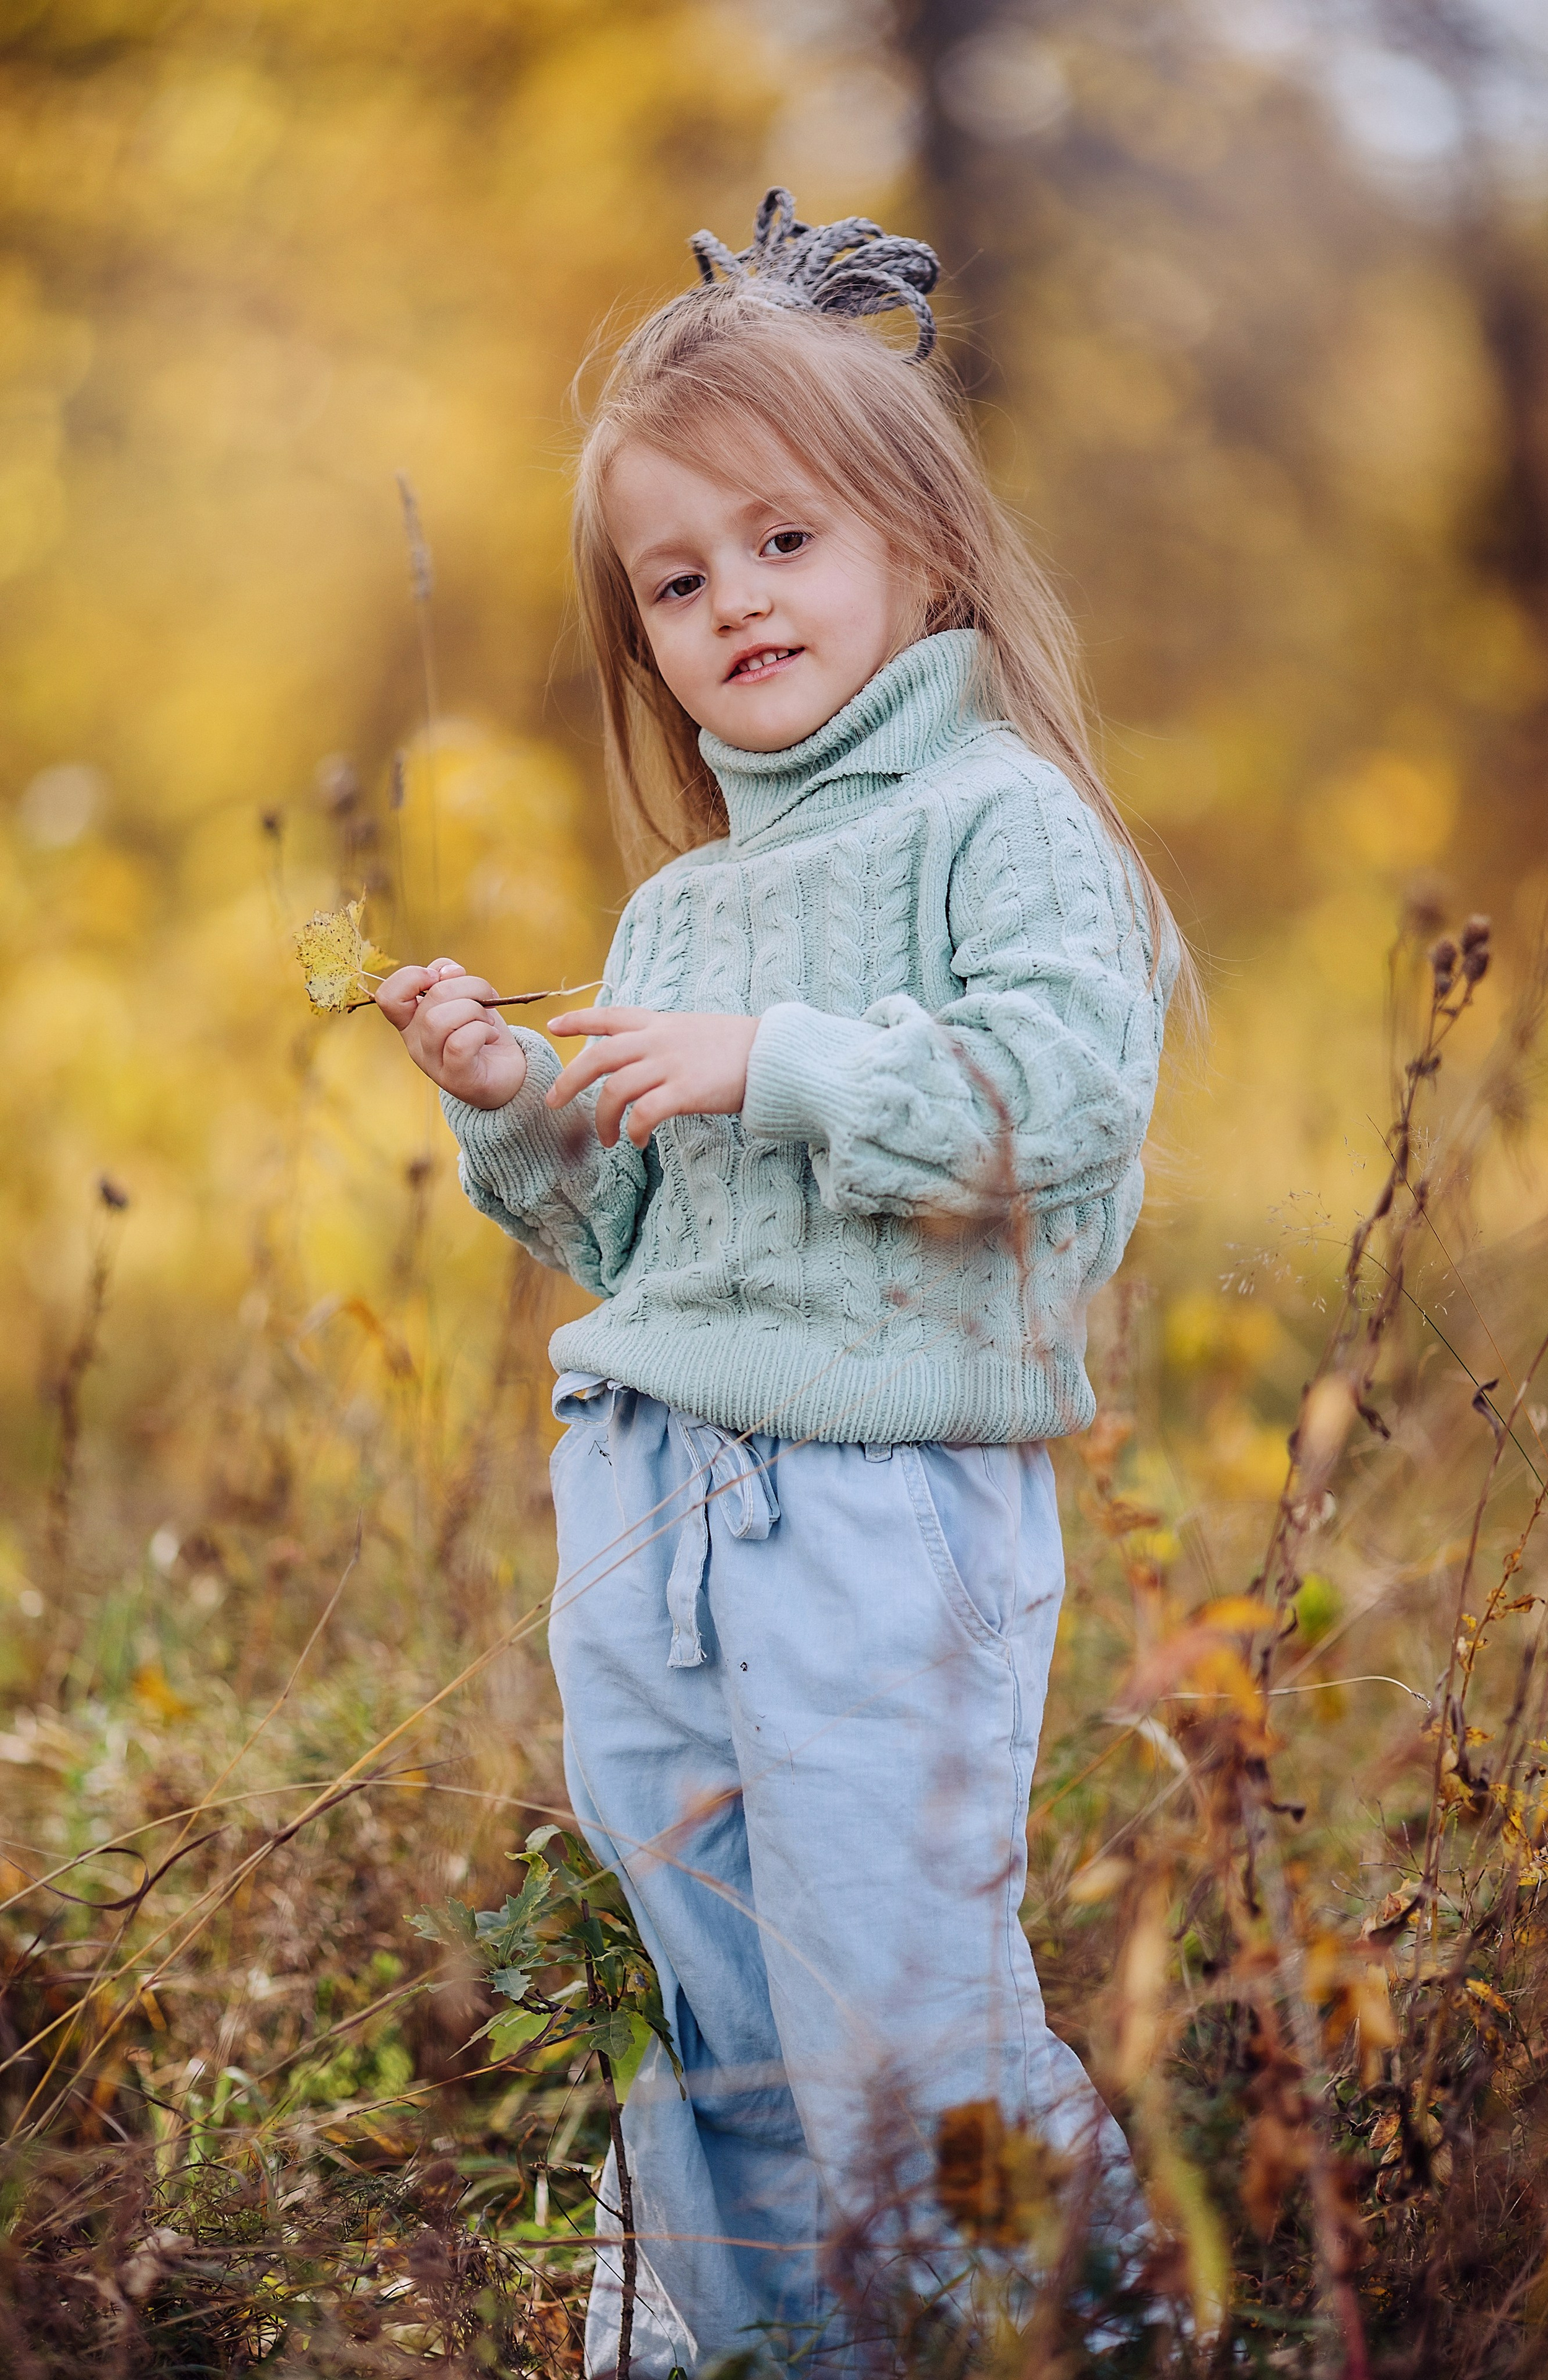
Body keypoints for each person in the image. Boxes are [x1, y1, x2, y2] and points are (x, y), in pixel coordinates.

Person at [377, 190, 1186, 2376]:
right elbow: (641, 1230)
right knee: (710, 1983)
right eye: (677, 576)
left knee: (894, 1990)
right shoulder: (680, 912)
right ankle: (729, 2350)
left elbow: (1061, 1106)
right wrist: (522, 1101)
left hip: (876, 1503)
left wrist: (781, 1059)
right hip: (645, 1497)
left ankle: (1045, 2331)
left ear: (919, 547)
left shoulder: (998, 822)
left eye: (784, 541)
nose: (733, 599)